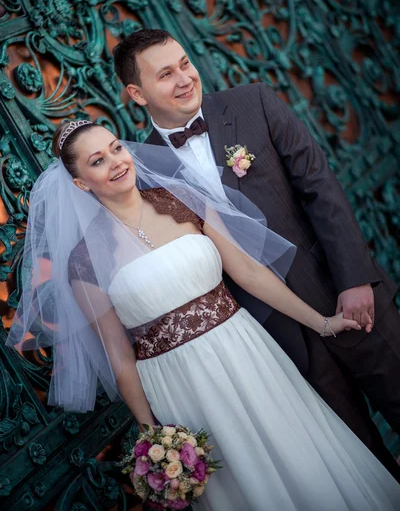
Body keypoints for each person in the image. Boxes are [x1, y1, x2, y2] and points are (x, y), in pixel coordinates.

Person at [7, 121, 400, 510]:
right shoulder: (84, 262)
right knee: (242, 480)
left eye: (116, 148)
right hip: (180, 384)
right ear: (80, 183)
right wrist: (152, 435)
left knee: (298, 452)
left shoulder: (182, 198)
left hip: (247, 351)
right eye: (97, 160)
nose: (116, 161)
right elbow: (119, 355)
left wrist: (321, 322)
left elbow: (248, 272)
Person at [113, 29, 400, 479]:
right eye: (165, 74)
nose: (185, 78)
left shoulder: (254, 102)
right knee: (359, 459)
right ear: (136, 93)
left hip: (342, 292)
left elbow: (320, 189)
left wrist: (354, 279)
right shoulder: (144, 170)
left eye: (185, 64)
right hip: (272, 336)